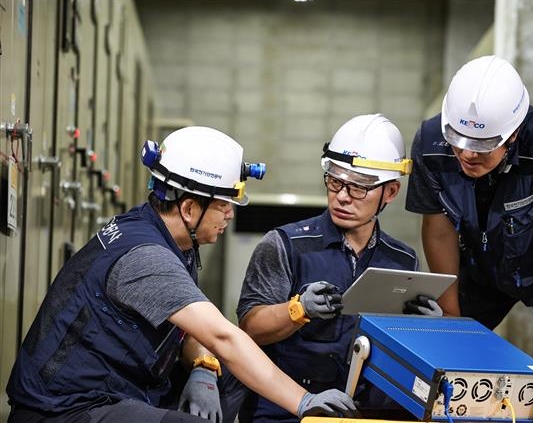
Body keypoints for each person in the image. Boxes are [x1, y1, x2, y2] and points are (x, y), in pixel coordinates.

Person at [6, 126, 357, 422]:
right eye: (224, 206)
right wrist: (304, 402)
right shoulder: (148, 258)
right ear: (189, 208)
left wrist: (203, 366)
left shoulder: (163, 234)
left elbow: (188, 326)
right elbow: (223, 337)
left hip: (109, 387)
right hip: (65, 409)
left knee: (231, 372)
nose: (229, 218)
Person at [405, 55, 533, 422]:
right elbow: (438, 229)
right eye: (459, 138)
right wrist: (451, 317)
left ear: (513, 134)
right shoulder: (429, 141)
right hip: (486, 254)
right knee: (451, 355)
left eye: (482, 144)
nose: (467, 153)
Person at [235, 114, 443, 423]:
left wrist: (426, 332)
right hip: (287, 412)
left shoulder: (402, 260)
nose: (342, 197)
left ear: (390, 193)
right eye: (335, 182)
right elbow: (250, 330)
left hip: (364, 412)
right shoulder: (285, 245)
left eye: (359, 187)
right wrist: (297, 311)